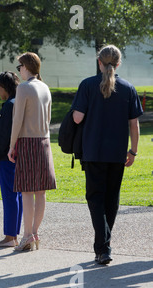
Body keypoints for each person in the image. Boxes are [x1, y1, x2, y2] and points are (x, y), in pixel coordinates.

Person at [71, 45, 143, 265]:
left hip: (93, 151)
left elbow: (76, 118)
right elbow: (134, 124)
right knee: (112, 199)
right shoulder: (128, 88)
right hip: (117, 153)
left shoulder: (87, 85)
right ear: (118, 63)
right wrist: (133, 150)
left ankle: (103, 247)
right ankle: (103, 246)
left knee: (95, 198)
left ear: (99, 63)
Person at [8, 52, 56, 252]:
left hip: (27, 142)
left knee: (26, 191)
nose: (19, 70)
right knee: (41, 191)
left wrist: (11, 146)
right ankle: (35, 232)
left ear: (25, 66)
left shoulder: (24, 88)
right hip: (44, 141)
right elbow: (49, 118)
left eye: (19, 67)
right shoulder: (45, 87)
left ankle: (27, 234)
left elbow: (17, 119)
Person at [0, 71, 23, 247]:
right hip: (21, 155)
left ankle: (10, 237)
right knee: (18, 196)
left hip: (6, 157)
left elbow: (3, 136)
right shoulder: (20, 102)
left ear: (3, 87)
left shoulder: (8, 106)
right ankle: (15, 234)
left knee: (10, 196)